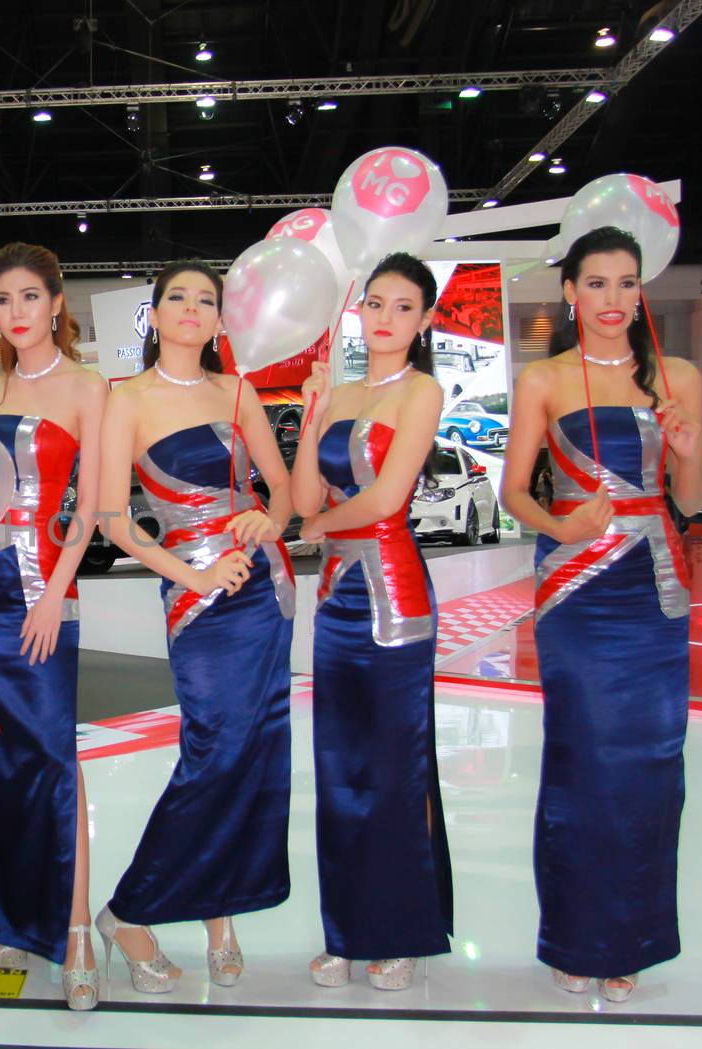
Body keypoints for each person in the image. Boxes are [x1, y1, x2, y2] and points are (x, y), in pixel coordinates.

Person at [500, 226, 702, 1003]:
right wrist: (561, 526)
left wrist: (684, 448)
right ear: (570, 292)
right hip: (578, 594)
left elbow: (689, 501)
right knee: (583, 763)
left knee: (651, 768)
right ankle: (577, 937)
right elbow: (513, 490)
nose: (613, 299)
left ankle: (629, 941)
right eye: (597, 283)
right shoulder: (543, 379)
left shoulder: (676, 376)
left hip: (654, 595)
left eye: (626, 283)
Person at [93, 261, 295, 995]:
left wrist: (269, 516)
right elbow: (114, 520)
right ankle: (129, 911)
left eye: (204, 300)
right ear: (155, 314)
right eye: (177, 296)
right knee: (213, 752)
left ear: (219, 321)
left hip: (266, 591)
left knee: (256, 755)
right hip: (198, 600)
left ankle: (221, 911)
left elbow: (285, 488)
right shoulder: (129, 400)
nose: (190, 308)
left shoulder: (238, 392)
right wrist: (195, 574)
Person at [291, 251, 453, 992]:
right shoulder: (344, 390)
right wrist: (313, 413)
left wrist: (321, 523)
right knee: (338, 772)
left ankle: (401, 931)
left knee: (395, 770)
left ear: (423, 320)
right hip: (337, 604)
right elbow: (301, 496)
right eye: (376, 303)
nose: (385, 318)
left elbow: (386, 500)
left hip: (395, 598)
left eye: (402, 307)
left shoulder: (423, 390)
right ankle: (347, 930)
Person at [0, 243, 106, 1010]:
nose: (16, 313)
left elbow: (94, 507)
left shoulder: (86, 387)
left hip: (45, 596)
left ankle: (76, 928)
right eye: (4, 300)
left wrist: (56, 591)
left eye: (28, 298)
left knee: (52, 757)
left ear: (55, 302)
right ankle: (10, 916)